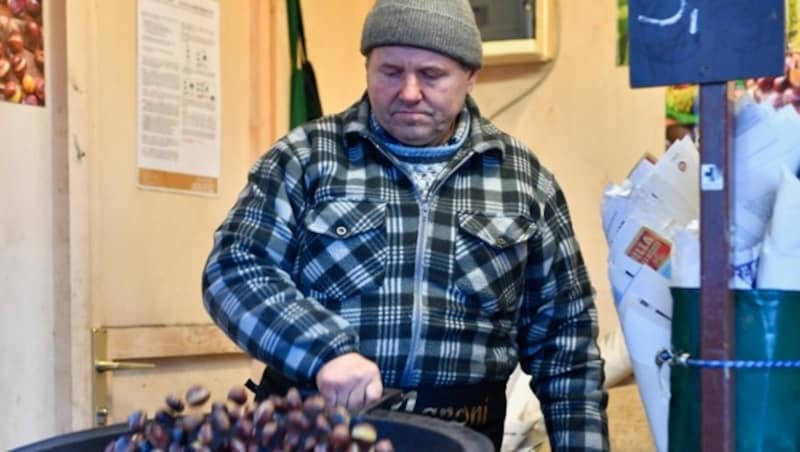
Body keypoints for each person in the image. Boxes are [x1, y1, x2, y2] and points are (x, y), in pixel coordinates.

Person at [202, 0, 608, 449]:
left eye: (432, 75)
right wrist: (323, 351)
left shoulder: (524, 182)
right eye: (390, 71)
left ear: (471, 76)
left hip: (460, 435)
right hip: (312, 431)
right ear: (367, 66)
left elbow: (567, 346)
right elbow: (235, 267)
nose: (409, 92)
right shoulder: (305, 158)